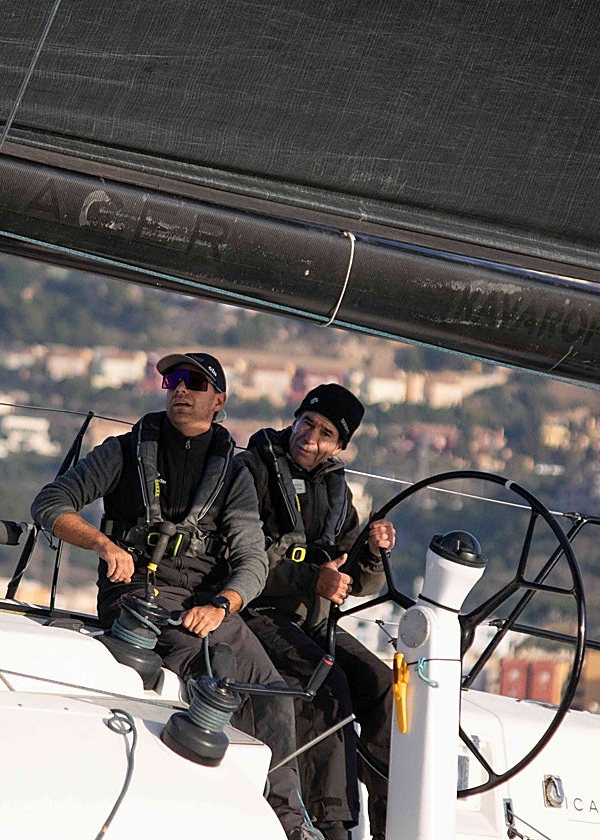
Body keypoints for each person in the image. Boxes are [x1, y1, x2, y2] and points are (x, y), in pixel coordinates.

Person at [30, 352, 321, 840]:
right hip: (138, 594)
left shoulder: (234, 476)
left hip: (206, 603)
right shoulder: (121, 451)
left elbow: (252, 559)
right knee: (215, 667)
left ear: (218, 400)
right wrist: (102, 544)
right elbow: (49, 502)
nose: (179, 389)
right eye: (173, 380)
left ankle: (288, 821)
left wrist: (223, 603)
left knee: (272, 691)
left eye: (194, 382)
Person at [238, 383, 396, 840]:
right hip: (259, 611)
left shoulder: (337, 493)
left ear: (339, 445)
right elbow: (241, 560)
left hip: (314, 620)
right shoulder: (253, 473)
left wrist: (369, 549)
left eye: (326, 433)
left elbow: (360, 584)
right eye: (307, 423)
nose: (310, 437)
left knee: (381, 685)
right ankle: (331, 825)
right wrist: (312, 580)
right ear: (295, 418)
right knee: (327, 680)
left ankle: (391, 820)